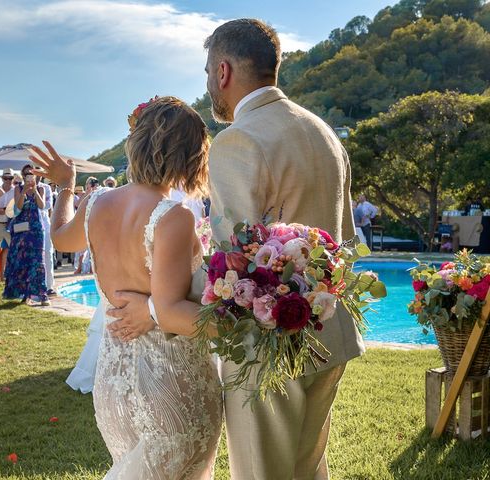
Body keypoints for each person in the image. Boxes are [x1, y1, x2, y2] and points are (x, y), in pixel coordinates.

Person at [106, 19, 364, 480]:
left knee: (264, 471)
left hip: (267, 342)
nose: (208, 85)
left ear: (223, 70)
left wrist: (158, 307)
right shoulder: (323, 132)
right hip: (330, 331)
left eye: (207, 72)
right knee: (306, 468)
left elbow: (233, 267)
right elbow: (343, 241)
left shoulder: (239, 140)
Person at [31, 97, 222, 479]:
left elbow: (60, 239)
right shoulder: (173, 217)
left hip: (113, 384)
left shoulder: (98, 201)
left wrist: (67, 188)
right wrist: (243, 321)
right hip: (172, 383)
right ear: (190, 155)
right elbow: (169, 313)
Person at [3, 166, 49, 306]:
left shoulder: (41, 188)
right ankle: (25, 294)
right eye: (26, 174)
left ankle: (41, 295)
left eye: (32, 173)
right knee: (21, 260)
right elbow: (18, 207)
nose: (29, 176)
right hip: (21, 229)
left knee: (36, 261)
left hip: (35, 228)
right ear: (22, 175)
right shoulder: (18, 188)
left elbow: (42, 206)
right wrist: (23, 191)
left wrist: (34, 190)